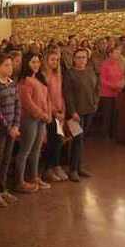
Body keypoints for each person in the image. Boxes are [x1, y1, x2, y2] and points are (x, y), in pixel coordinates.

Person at [15, 53, 52, 192]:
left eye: (37, 62)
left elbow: (47, 98)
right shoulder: (25, 81)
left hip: (41, 119)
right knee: (25, 150)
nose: (36, 64)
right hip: (29, 119)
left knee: (36, 150)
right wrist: (42, 115)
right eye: (33, 62)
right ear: (26, 63)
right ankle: (20, 181)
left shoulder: (40, 78)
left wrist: (48, 114)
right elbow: (27, 102)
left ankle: (34, 177)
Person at [0, 53, 21, 207]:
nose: (10, 68)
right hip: (1, 130)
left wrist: (16, 125)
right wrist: (8, 128)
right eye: (6, 65)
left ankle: (3, 188)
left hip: (12, 129)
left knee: (7, 159)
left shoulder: (12, 83)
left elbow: (18, 105)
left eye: (10, 64)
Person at [63, 48, 99, 182]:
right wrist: (72, 112)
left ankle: (79, 167)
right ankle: (72, 170)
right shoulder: (69, 74)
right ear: (74, 59)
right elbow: (68, 94)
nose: (81, 60)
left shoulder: (90, 71)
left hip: (89, 110)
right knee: (77, 139)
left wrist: (95, 103)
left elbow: (96, 88)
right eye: (78, 57)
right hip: (75, 114)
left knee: (82, 140)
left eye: (83, 57)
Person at [43, 49, 68, 182]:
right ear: (46, 61)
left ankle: (56, 166)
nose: (55, 62)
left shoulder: (58, 75)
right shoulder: (44, 76)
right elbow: (46, 98)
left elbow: (60, 95)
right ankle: (48, 169)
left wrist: (63, 110)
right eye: (52, 59)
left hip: (59, 112)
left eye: (57, 59)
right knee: (52, 142)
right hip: (50, 112)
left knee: (58, 141)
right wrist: (54, 113)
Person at [99, 46, 125, 139]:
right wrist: (113, 86)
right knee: (107, 115)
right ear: (110, 54)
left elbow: (122, 76)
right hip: (107, 93)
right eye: (116, 53)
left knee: (115, 114)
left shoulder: (118, 64)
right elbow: (102, 80)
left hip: (117, 92)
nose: (118, 55)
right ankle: (105, 134)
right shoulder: (105, 64)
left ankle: (114, 133)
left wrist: (122, 83)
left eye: (118, 53)